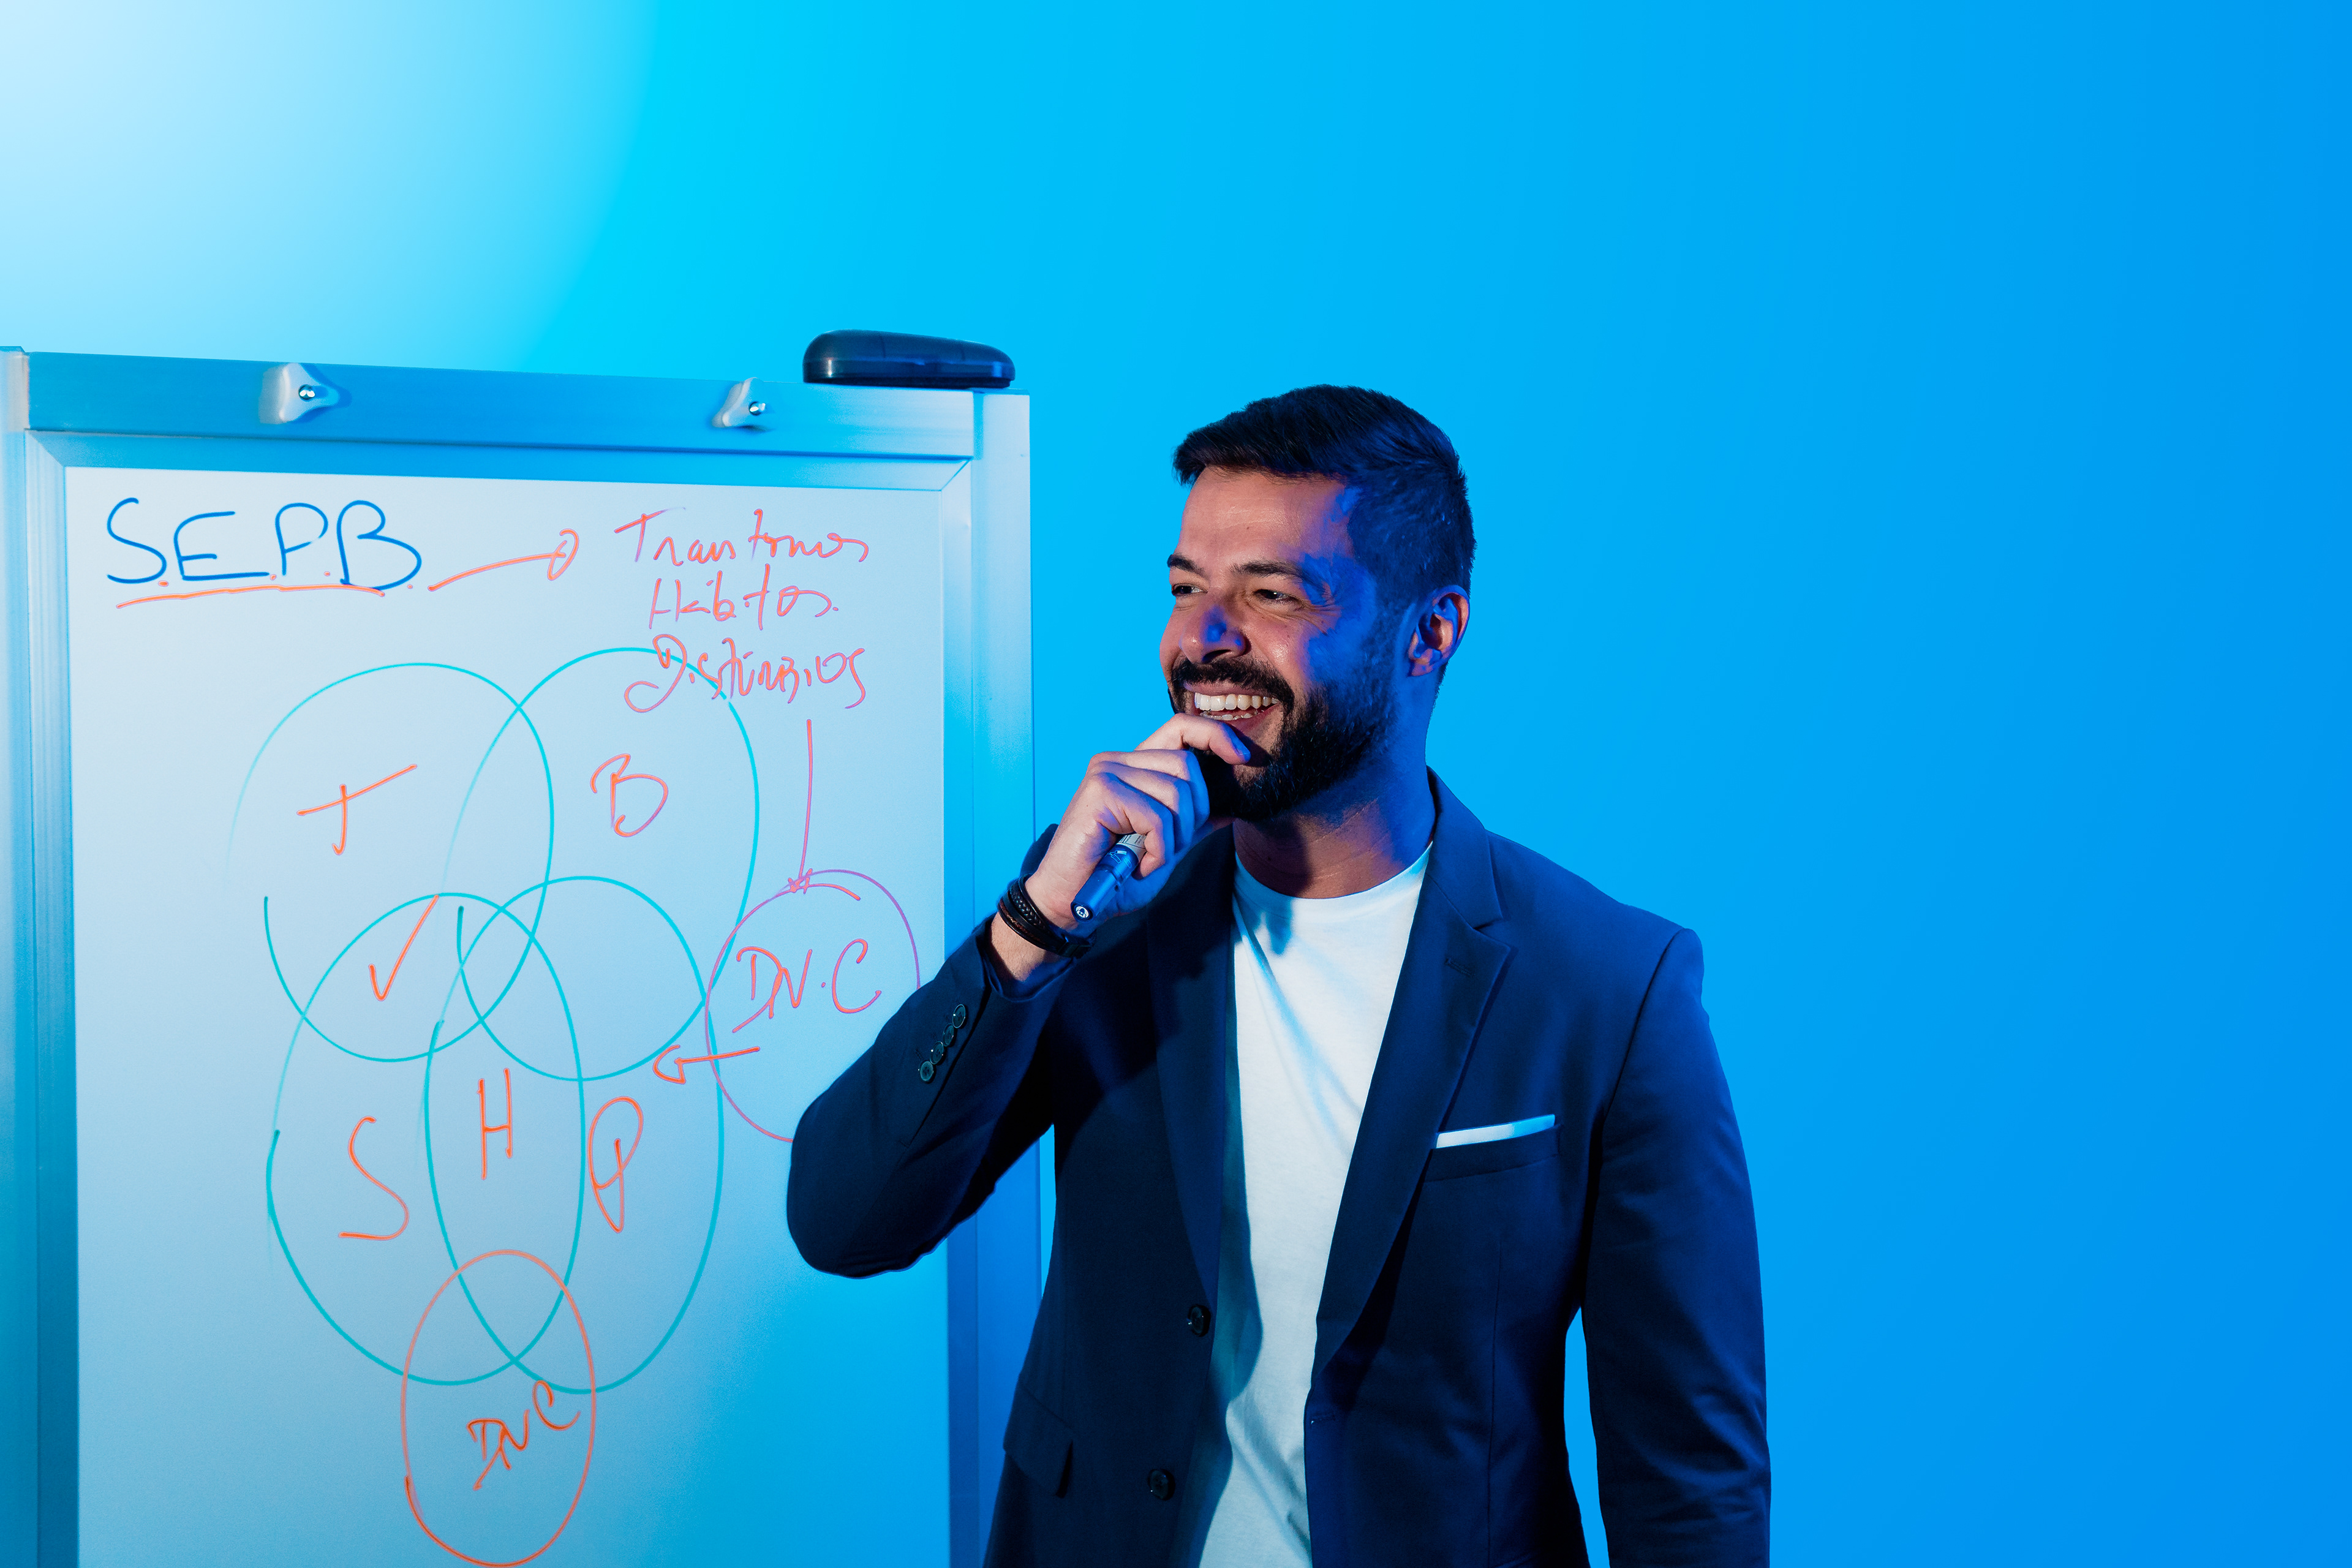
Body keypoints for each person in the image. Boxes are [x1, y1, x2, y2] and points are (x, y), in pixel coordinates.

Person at [788, 385, 1769, 1567]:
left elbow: (1690, 1483)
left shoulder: (1611, 987)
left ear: (1429, 633)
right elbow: (845, 1220)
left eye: (1272, 595)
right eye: (1186, 588)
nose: (1203, 639)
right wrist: (1037, 922)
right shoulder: (1099, 913)